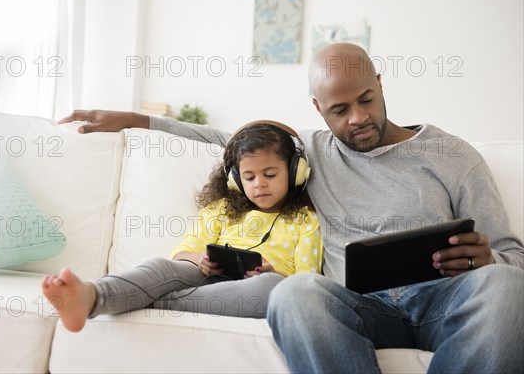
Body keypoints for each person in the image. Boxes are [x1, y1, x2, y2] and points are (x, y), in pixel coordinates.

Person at [59, 43, 523, 373]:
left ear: (380, 84)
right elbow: (231, 142)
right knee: (296, 292)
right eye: (339, 110)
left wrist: (490, 258)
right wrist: (134, 120)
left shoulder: (453, 156)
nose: (358, 118)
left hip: (441, 303)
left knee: (505, 285)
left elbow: (513, 258)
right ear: (318, 109)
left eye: (366, 99)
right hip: (362, 307)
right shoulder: (311, 153)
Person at [42, 121, 322, 332]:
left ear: (295, 172)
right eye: (249, 177)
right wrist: (198, 259)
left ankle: (141, 300)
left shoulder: (306, 220)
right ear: (236, 180)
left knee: (271, 288)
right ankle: (91, 296)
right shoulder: (223, 211)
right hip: (205, 276)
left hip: (256, 288)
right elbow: (183, 252)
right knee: (163, 267)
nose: (259, 184)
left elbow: (306, 284)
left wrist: (274, 272)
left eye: (270, 174)